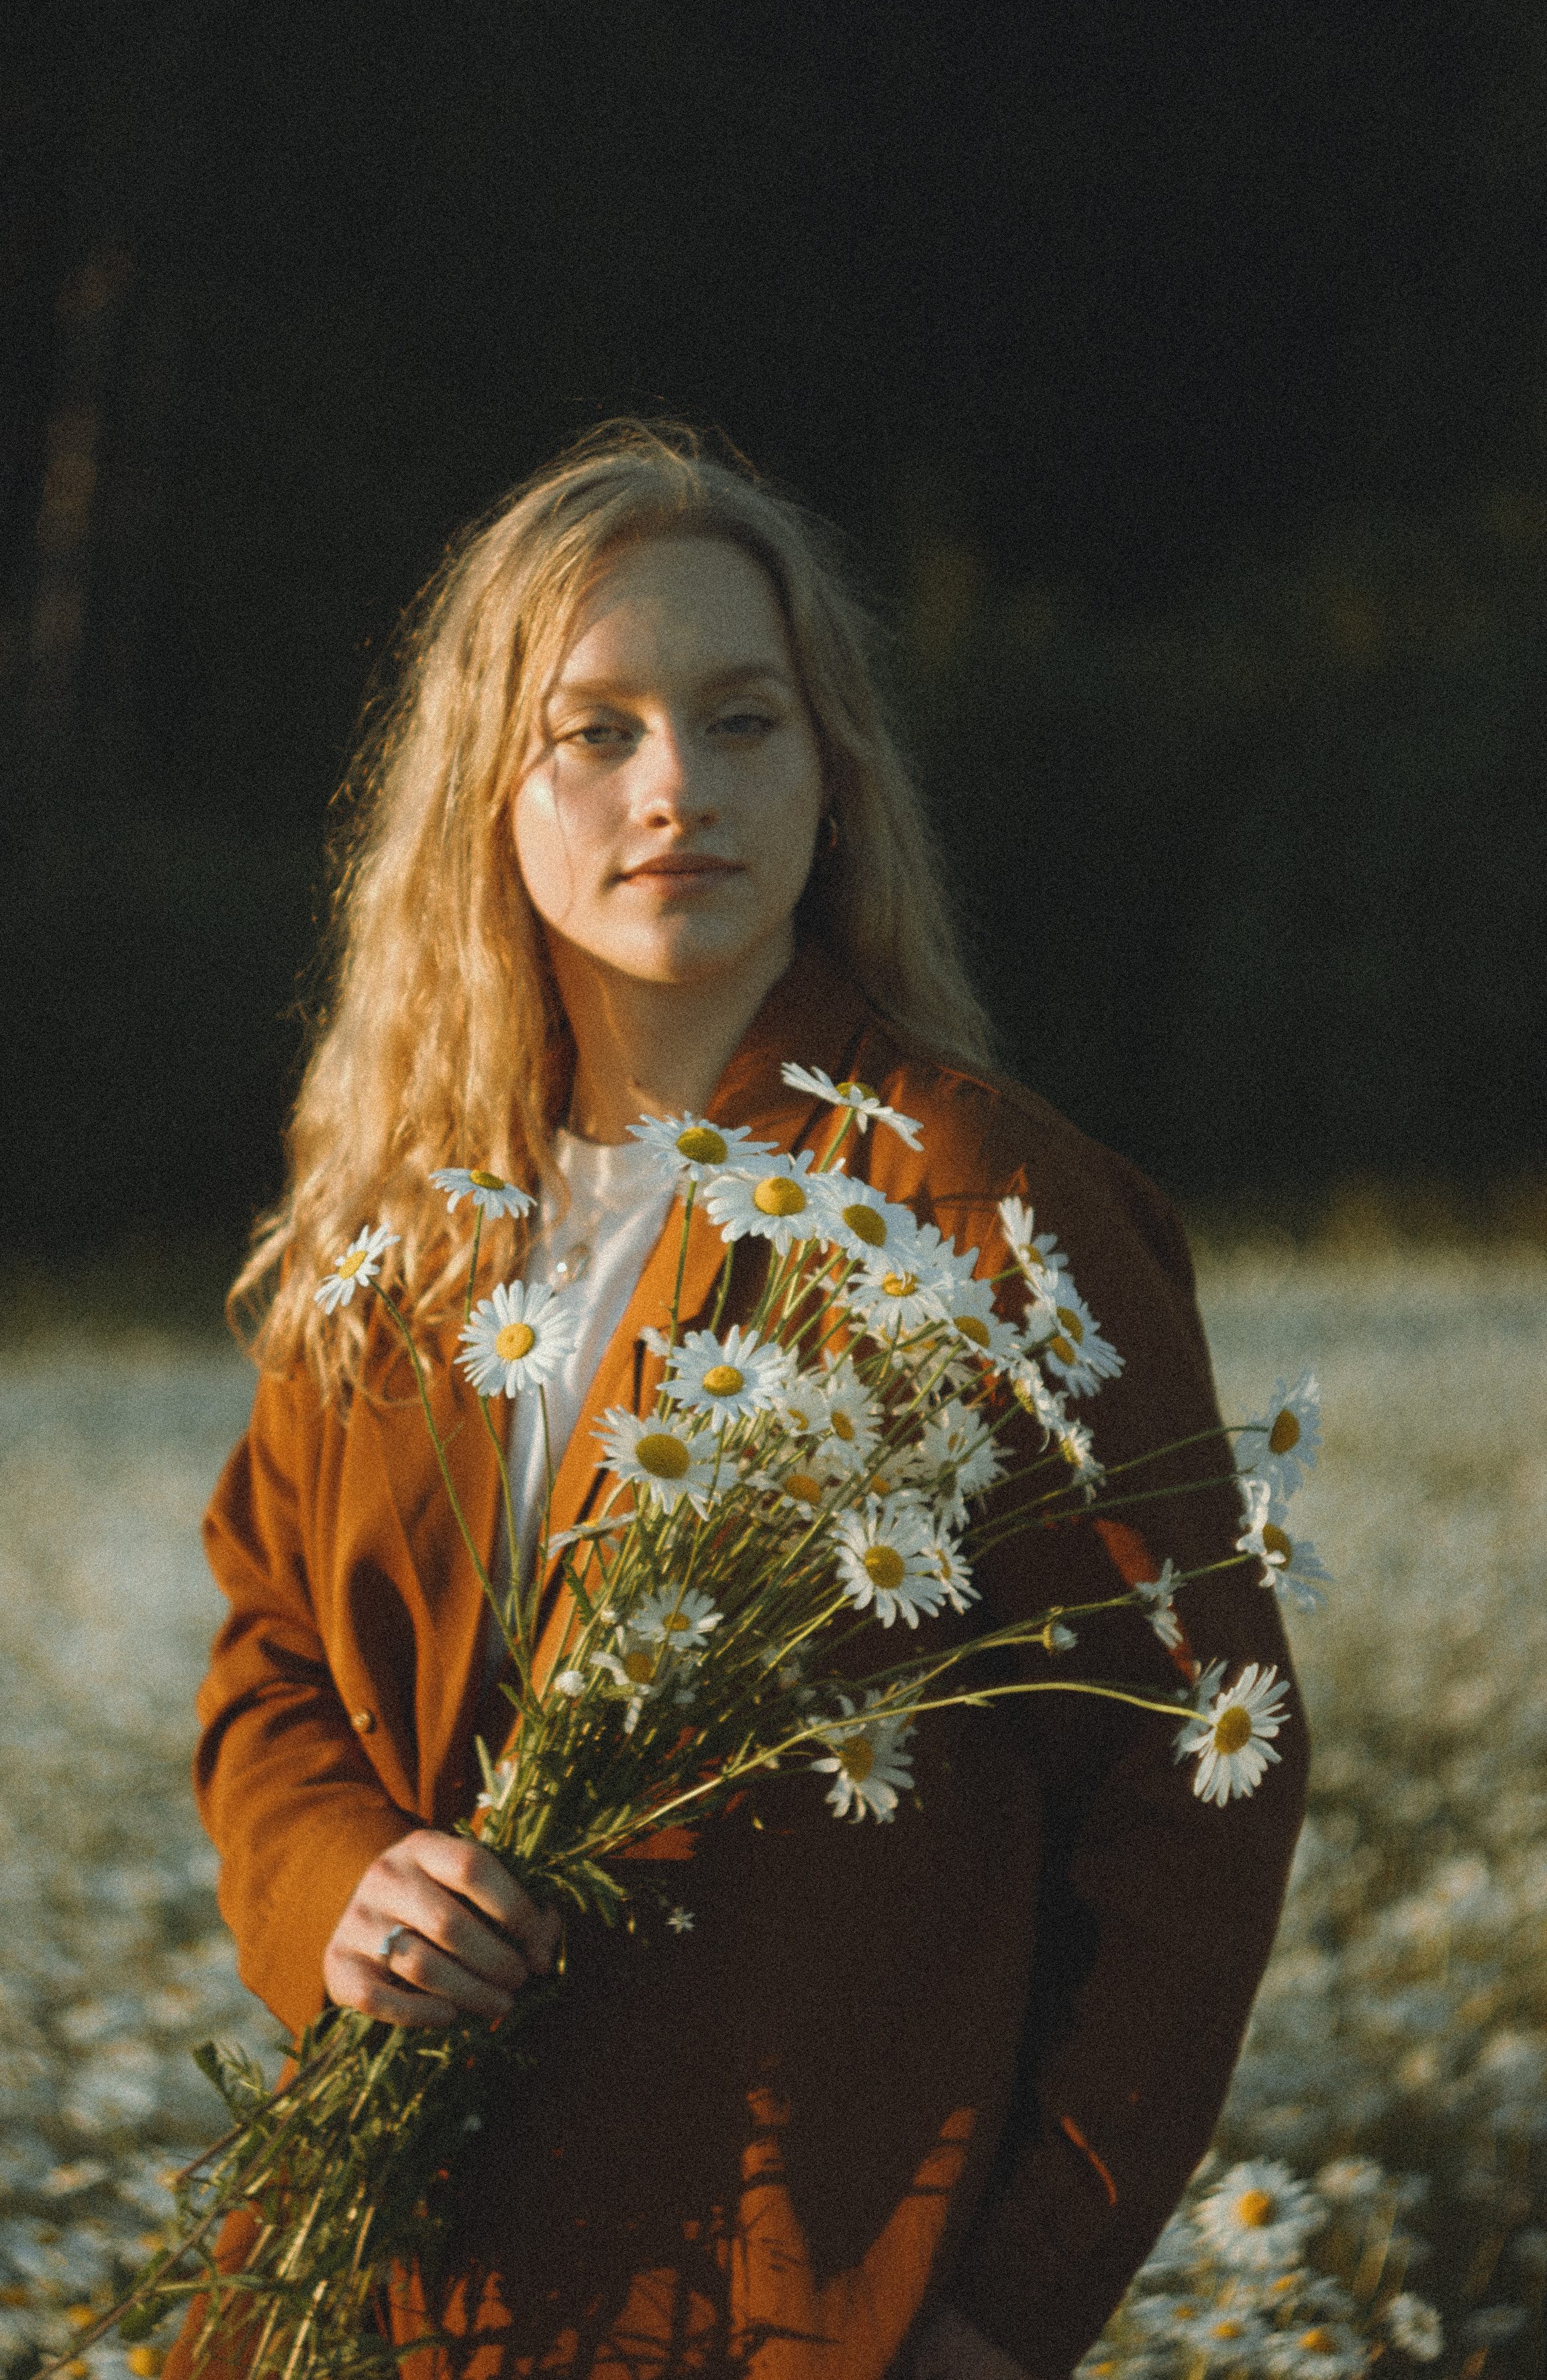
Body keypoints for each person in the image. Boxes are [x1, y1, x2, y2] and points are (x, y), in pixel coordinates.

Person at [171, 422, 1307, 2380]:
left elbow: (1204, 1787)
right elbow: (273, 1651)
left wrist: (1006, 2307)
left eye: (742, 719)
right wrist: (338, 1886)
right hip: (383, 2283)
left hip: (789, 2291)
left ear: (832, 770)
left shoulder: (981, 1208)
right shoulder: (401, 1220)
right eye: (595, 730)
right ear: (485, 789)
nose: (676, 787)